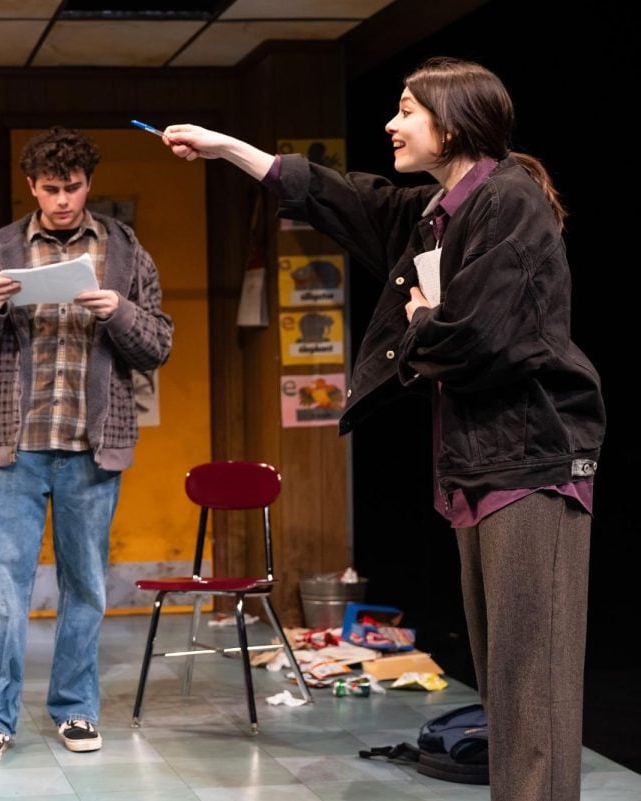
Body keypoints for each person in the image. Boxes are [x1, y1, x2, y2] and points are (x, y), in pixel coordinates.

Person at [161, 58, 605, 801]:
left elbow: (487, 334)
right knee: (509, 691)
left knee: (534, 692)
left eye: (406, 110)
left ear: (453, 122)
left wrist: (423, 323)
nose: (390, 124)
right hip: (479, 467)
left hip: (533, 464)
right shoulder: (438, 213)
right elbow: (344, 198)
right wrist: (228, 148)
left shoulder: (509, 202)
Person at [0, 127, 172, 765]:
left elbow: (158, 344)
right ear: (31, 187)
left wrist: (118, 313)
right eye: (50, 189)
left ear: (87, 184)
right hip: (17, 447)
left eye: (73, 188)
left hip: (91, 445)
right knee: (3, 591)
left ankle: (75, 709)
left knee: (87, 588)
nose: (63, 201)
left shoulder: (127, 252)